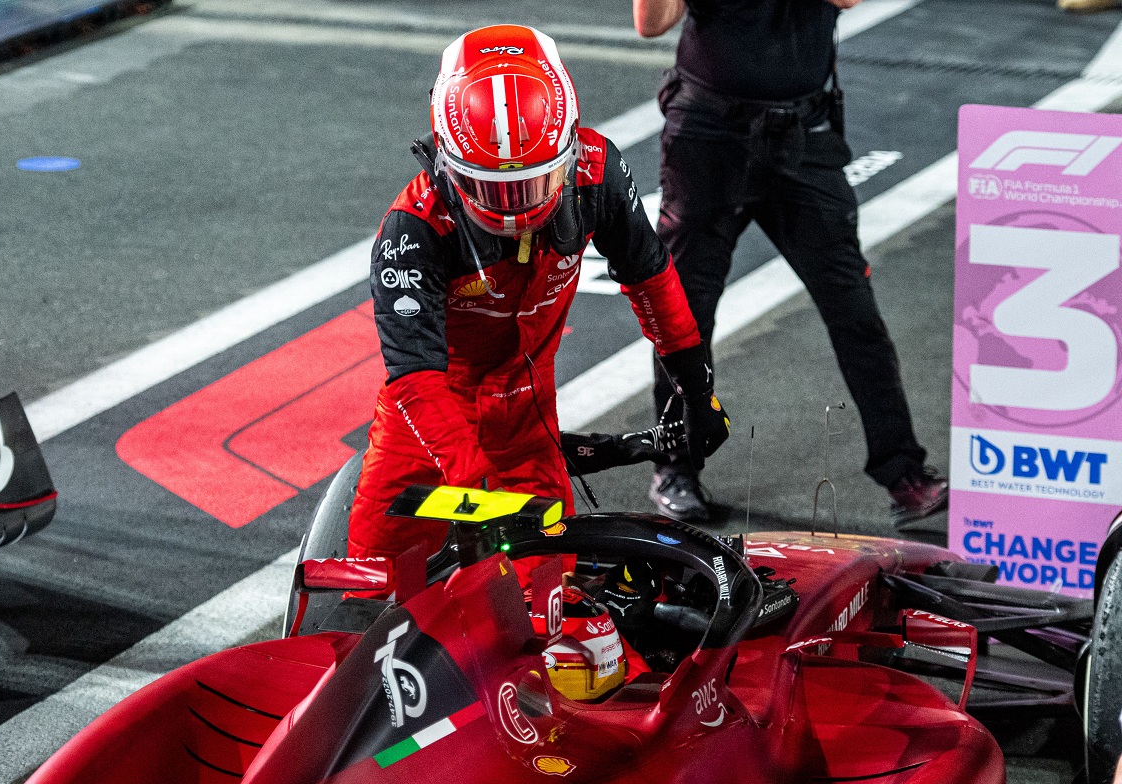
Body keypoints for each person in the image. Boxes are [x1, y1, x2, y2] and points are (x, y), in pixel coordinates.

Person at [347, 24, 731, 562]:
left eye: (531, 184)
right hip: (430, 425)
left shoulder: (599, 173)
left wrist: (697, 391)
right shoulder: (413, 229)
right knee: (368, 584)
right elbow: (415, 380)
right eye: (492, 188)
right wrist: (473, 488)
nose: (515, 211)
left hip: (528, 420)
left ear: (569, 151)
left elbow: (652, 281)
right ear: (448, 164)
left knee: (546, 612)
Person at [634, 0, 948, 528]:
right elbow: (651, 23)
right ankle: (674, 467)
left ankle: (903, 473)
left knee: (854, 311)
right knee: (683, 318)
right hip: (707, 134)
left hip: (802, 135)